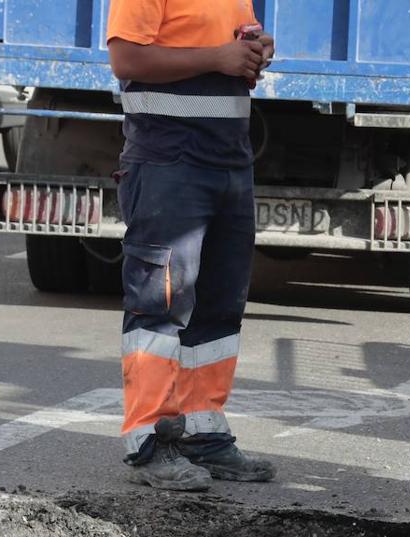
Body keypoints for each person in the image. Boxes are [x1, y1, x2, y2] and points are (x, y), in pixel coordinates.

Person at [106, 0, 276, 491]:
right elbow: (127, 59)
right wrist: (218, 58)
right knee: (158, 305)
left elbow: (225, 49)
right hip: (168, 162)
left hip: (227, 161)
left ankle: (205, 433)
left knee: (220, 308)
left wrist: (252, 52)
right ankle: (150, 440)